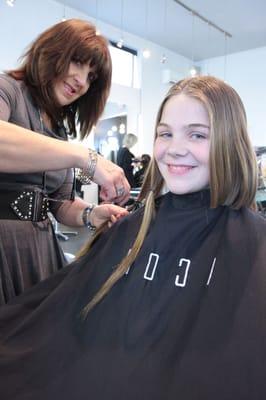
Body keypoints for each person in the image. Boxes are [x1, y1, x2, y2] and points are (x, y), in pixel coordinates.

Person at [0, 76, 265, 399]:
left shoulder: (255, 245)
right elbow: (59, 318)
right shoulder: (131, 229)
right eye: (165, 133)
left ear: (229, 140)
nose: (175, 149)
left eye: (197, 134)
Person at [0, 18, 130, 305]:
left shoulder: (58, 129)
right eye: (77, 62)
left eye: (92, 76)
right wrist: (84, 157)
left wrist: (92, 215)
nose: (82, 81)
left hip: (40, 253)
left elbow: (58, 203)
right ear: (52, 51)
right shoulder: (7, 89)